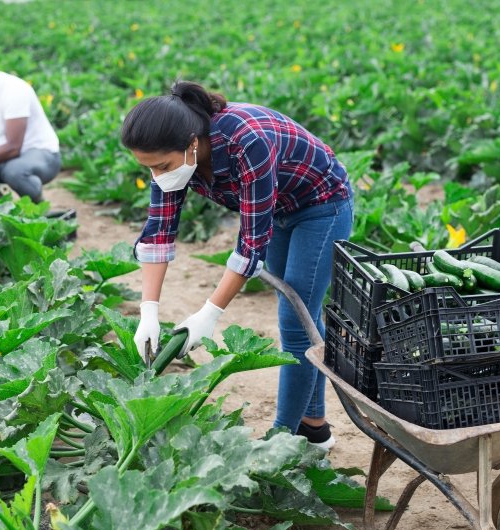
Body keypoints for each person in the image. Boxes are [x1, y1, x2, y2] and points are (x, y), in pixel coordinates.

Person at [121, 81, 353, 451]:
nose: (157, 176)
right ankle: (314, 427)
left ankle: (280, 440)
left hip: (322, 205)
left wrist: (209, 313)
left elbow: (250, 246)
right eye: (148, 168)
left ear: (193, 143)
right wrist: (148, 311)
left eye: (162, 166)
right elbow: (159, 233)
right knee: (299, 317)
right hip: (277, 211)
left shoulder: (247, 140)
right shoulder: (173, 159)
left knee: (297, 318)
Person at [0, 66, 61, 203]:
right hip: (0, 156)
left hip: (40, 154)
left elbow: (13, 147)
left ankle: (39, 211)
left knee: (15, 172)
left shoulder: (13, 89)